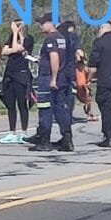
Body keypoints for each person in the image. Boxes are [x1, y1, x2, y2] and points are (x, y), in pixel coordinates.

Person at [28, 14, 72, 152]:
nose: (40, 26)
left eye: (42, 23)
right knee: (59, 109)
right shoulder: (61, 38)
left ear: (50, 23)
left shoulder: (50, 39)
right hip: (61, 78)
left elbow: (54, 57)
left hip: (48, 79)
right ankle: (67, 139)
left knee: (45, 109)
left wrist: (53, 78)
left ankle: (44, 141)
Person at [88, 22, 111, 147]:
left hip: (105, 81)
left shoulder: (98, 43)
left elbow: (93, 67)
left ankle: (108, 135)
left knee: (105, 108)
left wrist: (88, 80)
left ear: (101, 29)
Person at [0, 19, 34, 143]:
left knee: (22, 104)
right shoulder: (11, 38)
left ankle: (23, 132)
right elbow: (4, 51)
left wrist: (16, 34)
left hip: (21, 74)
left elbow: (15, 48)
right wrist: (13, 36)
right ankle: (11, 132)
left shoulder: (28, 39)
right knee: (10, 105)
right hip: (9, 75)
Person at [74, 49, 95, 122]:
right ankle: (88, 112)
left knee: (88, 98)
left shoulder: (84, 68)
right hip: (77, 86)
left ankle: (89, 113)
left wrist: (88, 81)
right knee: (85, 98)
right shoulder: (75, 68)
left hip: (83, 85)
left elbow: (90, 71)